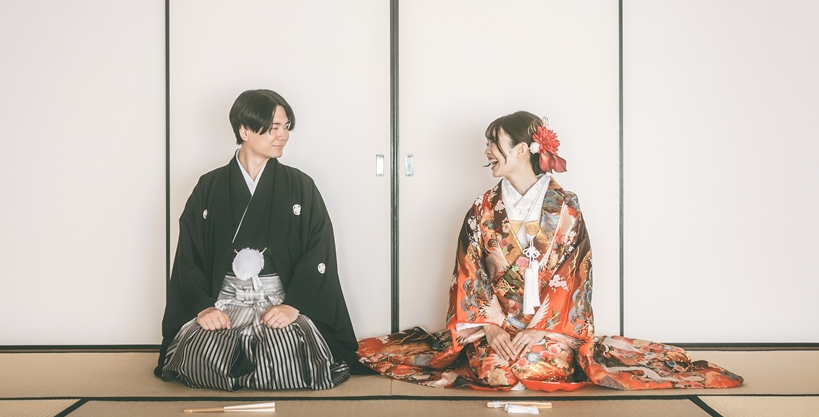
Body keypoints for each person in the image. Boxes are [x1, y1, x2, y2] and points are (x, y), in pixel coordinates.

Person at [358, 111, 743, 391]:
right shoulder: (483, 209)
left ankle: (540, 347)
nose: (487, 150)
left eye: (494, 143)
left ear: (522, 149)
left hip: (550, 326)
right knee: (495, 373)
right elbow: (468, 272)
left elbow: (575, 275)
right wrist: (491, 327)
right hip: (497, 325)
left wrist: (540, 329)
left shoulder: (566, 207)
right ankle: (500, 347)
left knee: (538, 368)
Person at [156, 89, 362, 390]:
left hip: (278, 303)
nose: (283, 135)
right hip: (225, 303)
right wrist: (203, 307)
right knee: (200, 358)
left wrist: (294, 305)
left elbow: (319, 250)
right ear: (245, 131)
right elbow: (190, 255)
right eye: (274, 127)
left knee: (286, 359)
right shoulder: (209, 186)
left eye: (286, 127)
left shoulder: (300, 185)